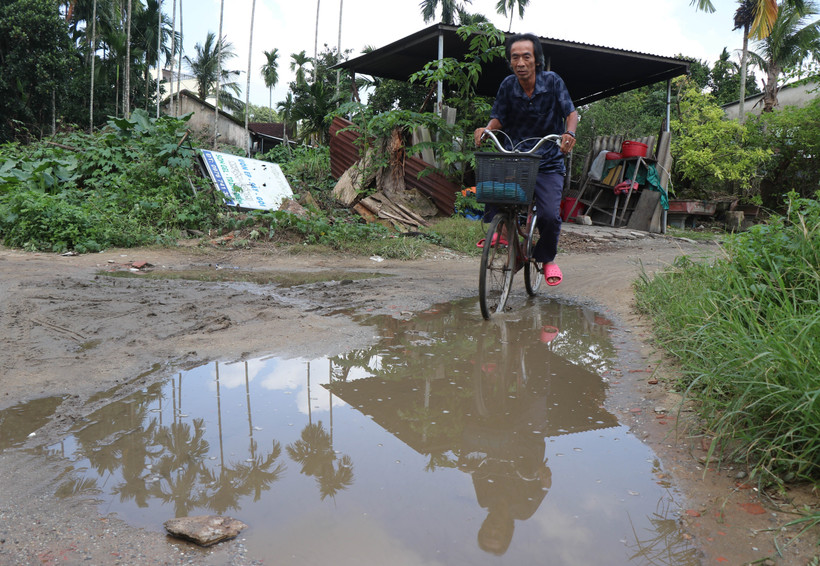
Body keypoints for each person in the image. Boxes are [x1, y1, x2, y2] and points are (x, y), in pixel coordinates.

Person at [474, 33, 578, 286]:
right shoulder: (508, 85)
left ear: (537, 60)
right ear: (510, 61)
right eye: (515, 57)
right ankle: (509, 240)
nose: (520, 62)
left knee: (549, 216)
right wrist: (487, 129)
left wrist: (569, 133)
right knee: (492, 194)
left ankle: (546, 258)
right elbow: (498, 116)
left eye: (526, 57)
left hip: (548, 160)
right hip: (516, 157)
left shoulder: (552, 81)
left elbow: (571, 113)